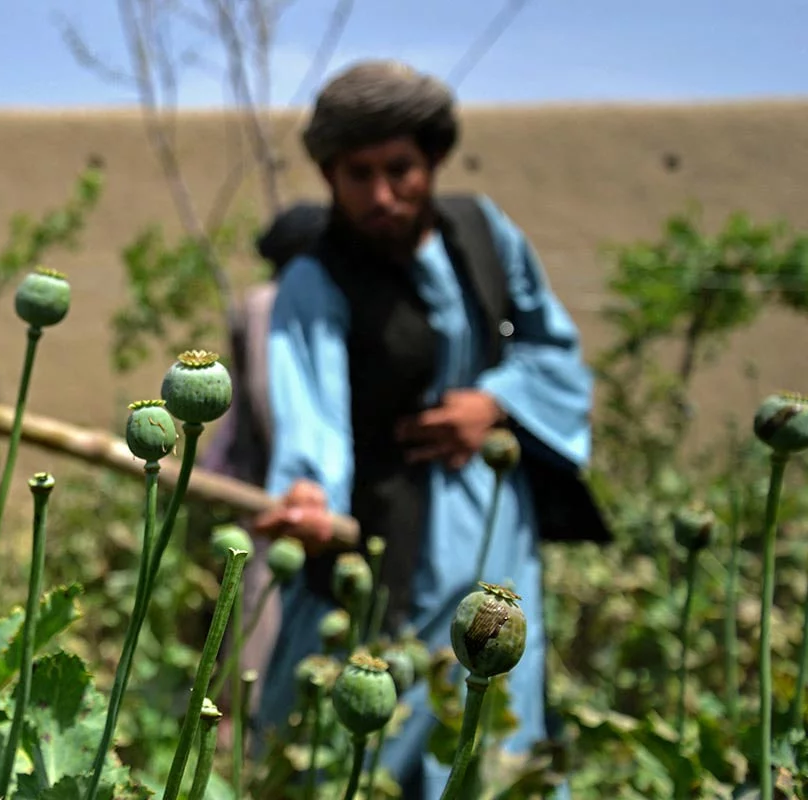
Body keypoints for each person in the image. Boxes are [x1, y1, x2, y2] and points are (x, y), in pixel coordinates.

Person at [250, 59, 603, 799]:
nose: (382, 195)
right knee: (362, 741)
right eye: (358, 174)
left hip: (497, 525)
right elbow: (310, 419)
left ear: (433, 159)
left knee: (496, 729)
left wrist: (495, 401)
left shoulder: (484, 233)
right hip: (385, 543)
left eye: (400, 169)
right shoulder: (314, 282)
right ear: (329, 175)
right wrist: (310, 497)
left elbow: (554, 353)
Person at [196, 202, 330, 736]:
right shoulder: (270, 304)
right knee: (259, 627)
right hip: (274, 495)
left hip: (289, 494)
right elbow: (269, 399)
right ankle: (239, 751)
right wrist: (301, 474)